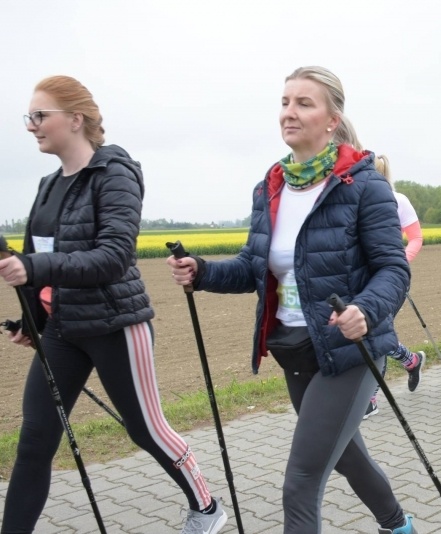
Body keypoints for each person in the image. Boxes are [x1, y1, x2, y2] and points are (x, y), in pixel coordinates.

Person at [167, 66, 417, 534]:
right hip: (295, 348)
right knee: (345, 456)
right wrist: (201, 272)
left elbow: (393, 268)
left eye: (304, 103)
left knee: (300, 480)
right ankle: (399, 525)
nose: (290, 112)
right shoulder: (271, 187)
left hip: (349, 351)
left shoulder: (364, 186)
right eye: (285, 102)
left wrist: (366, 308)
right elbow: (251, 267)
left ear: (331, 119)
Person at [0, 75, 227, 534]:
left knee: (146, 430)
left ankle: (206, 506)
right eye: (30, 117)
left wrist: (34, 268)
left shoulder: (114, 173)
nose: (32, 126)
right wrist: (32, 320)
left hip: (117, 326)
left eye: (40, 116)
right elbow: (36, 263)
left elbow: (112, 256)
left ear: (76, 118)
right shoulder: (46, 186)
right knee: (35, 441)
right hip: (64, 331)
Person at [364, 154, 426, 419]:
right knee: (371, 333)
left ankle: (371, 398)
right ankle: (411, 361)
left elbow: (416, 238)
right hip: (364, 279)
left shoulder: (398, 200)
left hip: (390, 278)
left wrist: (398, 262)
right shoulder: (357, 200)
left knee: (377, 332)